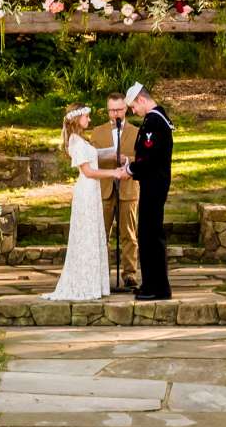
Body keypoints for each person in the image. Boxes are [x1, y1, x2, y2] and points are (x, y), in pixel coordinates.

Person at [47, 104, 130, 300]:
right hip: (86, 190)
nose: (89, 120)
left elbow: (95, 155)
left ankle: (94, 282)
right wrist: (113, 172)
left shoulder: (81, 140)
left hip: (92, 191)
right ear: (77, 119)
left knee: (93, 234)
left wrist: (115, 152)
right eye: (86, 117)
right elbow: (88, 171)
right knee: (86, 234)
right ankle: (84, 282)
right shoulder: (75, 141)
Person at [127, 82, 177, 301]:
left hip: (153, 184)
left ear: (141, 100)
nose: (133, 112)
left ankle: (157, 287)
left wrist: (130, 169)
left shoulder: (154, 121)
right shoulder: (156, 118)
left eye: (133, 107)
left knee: (150, 235)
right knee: (148, 234)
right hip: (153, 183)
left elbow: (149, 157)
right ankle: (151, 283)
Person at [94, 94, 142, 292]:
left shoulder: (137, 132)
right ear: (107, 111)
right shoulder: (97, 132)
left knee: (129, 234)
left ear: (126, 109)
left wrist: (127, 159)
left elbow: (142, 158)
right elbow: (90, 158)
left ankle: (130, 274)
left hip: (128, 188)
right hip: (104, 188)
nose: (116, 114)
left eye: (119, 110)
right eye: (112, 110)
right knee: (100, 234)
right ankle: (99, 274)